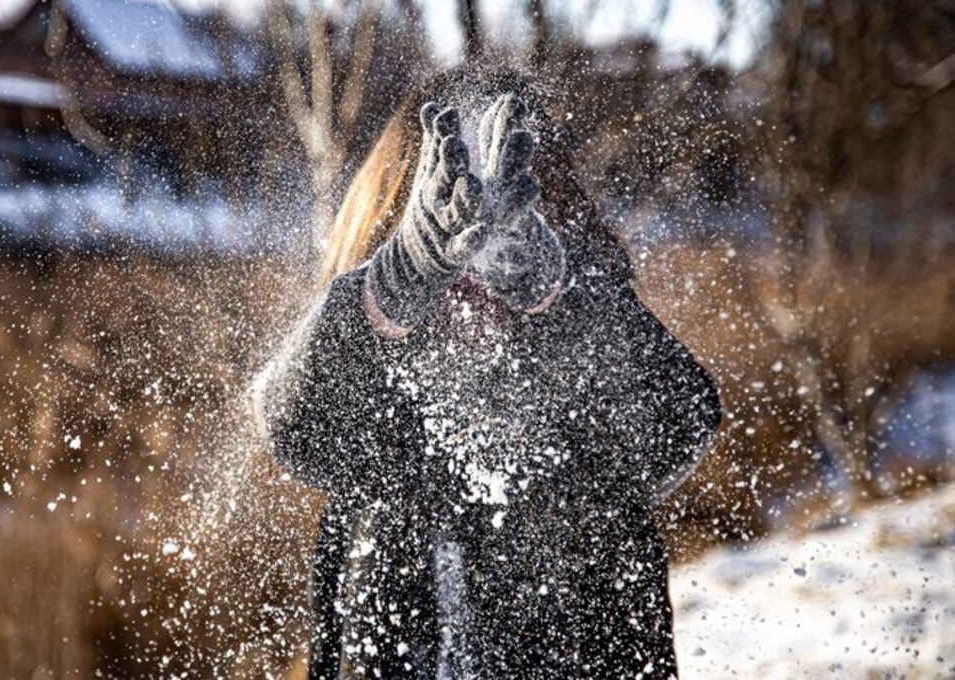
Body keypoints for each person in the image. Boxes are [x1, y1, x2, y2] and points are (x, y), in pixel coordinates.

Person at [251, 67, 721, 679]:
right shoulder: (371, 379)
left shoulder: (589, 353)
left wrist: (558, 297)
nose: (473, 253)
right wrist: (387, 290)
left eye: (506, 201)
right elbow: (292, 426)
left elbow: (680, 422)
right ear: (397, 216)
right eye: (449, 203)